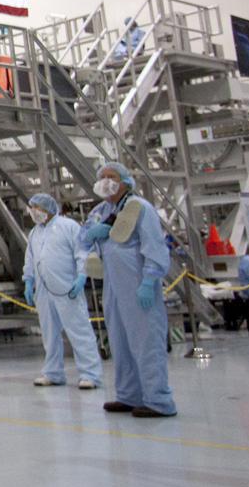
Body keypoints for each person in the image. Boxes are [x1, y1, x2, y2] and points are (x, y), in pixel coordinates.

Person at [82, 162, 177, 417]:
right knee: (119, 340)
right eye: (102, 177)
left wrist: (149, 281)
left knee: (146, 340)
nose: (106, 181)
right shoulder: (101, 210)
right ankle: (128, 395)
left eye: (111, 177)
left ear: (125, 181)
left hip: (137, 283)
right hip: (112, 284)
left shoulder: (140, 208)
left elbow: (154, 247)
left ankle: (159, 400)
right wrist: (92, 233)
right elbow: (84, 236)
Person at [22, 193, 103, 390]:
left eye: (36, 208)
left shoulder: (68, 227)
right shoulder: (34, 233)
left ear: (47, 209)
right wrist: (28, 280)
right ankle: (53, 372)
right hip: (43, 289)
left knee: (79, 330)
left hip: (67, 287)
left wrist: (82, 275)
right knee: (49, 333)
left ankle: (90, 374)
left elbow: (82, 252)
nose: (33, 212)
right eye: (31, 208)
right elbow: (30, 258)